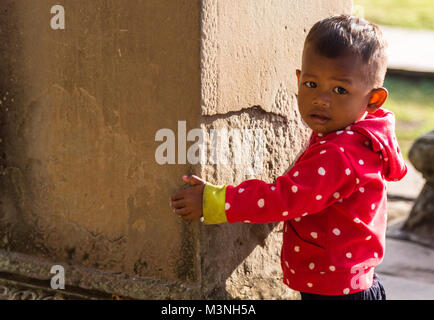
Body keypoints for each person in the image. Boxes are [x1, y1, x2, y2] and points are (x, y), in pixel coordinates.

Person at [169, 15, 407, 300]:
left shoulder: (341, 153)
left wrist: (214, 201)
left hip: (337, 293)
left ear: (373, 100)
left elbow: (284, 199)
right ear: (298, 80)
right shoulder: (350, 135)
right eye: (310, 84)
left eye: (340, 90)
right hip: (345, 282)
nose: (321, 99)